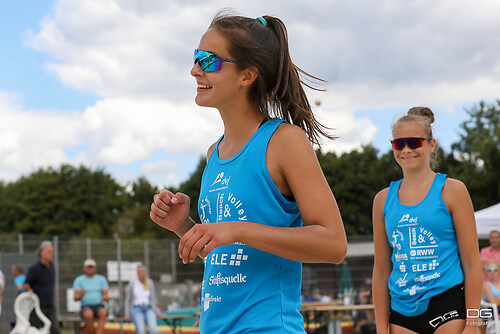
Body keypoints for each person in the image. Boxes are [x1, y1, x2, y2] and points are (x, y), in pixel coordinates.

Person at [150, 10, 347, 333]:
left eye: (209, 61)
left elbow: (334, 245)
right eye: (196, 57)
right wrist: (184, 227)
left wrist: (237, 229)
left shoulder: (284, 141)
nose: (194, 70)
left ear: (247, 75)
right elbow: (231, 256)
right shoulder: (215, 152)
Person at [372, 107, 482, 334]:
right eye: (398, 143)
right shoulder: (382, 200)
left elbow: (472, 264)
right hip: (401, 313)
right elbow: (382, 271)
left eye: (414, 142)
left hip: (447, 306)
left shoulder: (453, 191)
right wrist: (382, 328)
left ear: (431, 145)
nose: (406, 150)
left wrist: (472, 322)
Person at [24, 240, 60, 334]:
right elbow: (26, 285)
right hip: (37, 307)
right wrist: (30, 290)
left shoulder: (51, 267)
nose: (51, 254)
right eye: (49, 252)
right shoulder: (35, 268)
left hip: (50, 307)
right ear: (41, 253)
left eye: (52, 252)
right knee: (34, 330)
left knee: (55, 330)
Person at [73, 258, 109, 334]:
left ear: (95, 268)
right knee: (89, 314)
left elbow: (106, 294)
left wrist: (105, 297)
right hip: (86, 307)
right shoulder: (79, 280)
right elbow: (75, 298)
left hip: (99, 305)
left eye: (91, 267)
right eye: (88, 267)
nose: (90, 268)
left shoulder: (101, 279)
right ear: (84, 268)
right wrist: (81, 294)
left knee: (103, 312)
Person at [124, 264, 159, 334]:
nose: (140, 273)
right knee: (141, 330)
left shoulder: (149, 282)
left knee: (153, 329)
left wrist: (156, 311)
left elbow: (153, 298)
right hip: (136, 309)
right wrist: (127, 314)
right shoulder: (133, 283)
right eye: (139, 271)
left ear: (145, 272)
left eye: (142, 271)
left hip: (148, 308)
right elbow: (128, 299)